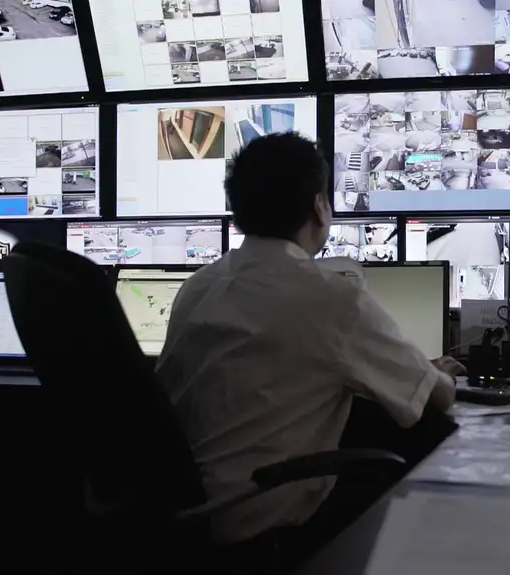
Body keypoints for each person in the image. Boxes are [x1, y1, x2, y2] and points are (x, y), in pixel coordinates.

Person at [156, 132, 462, 552]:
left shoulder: (198, 285)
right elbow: (435, 399)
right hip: (258, 516)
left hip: (190, 512)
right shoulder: (329, 295)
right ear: (319, 206)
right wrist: (437, 373)